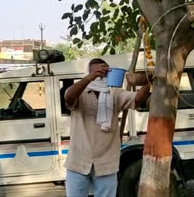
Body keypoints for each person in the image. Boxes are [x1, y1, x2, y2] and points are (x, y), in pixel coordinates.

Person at [64, 58, 151, 197]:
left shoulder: (115, 94)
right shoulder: (79, 91)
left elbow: (137, 99)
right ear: (89, 73)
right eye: (97, 72)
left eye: (105, 71)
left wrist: (148, 82)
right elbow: (68, 98)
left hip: (107, 163)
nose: (101, 75)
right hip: (78, 162)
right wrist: (90, 78)